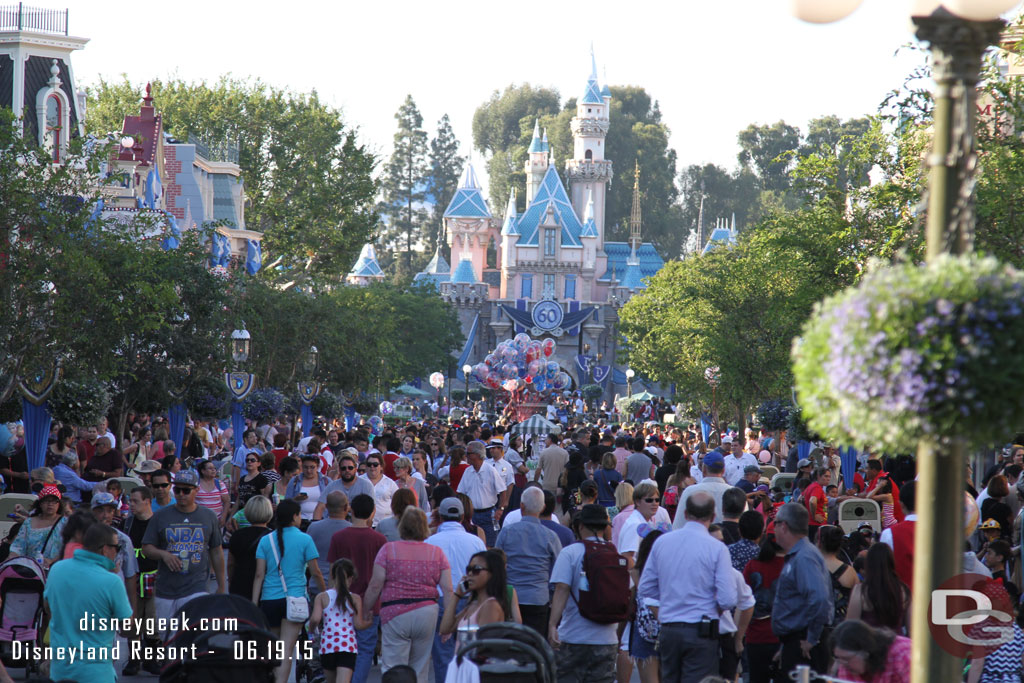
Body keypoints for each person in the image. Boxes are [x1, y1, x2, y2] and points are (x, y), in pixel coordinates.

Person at [637, 492, 737, 682]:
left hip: (669, 629)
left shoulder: (662, 542)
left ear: (685, 513)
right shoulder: (717, 548)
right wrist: (710, 605)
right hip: (702, 630)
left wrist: (669, 596)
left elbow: (645, 587)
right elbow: (728, 599)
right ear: (713, 516)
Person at [363, 507, 455, 682]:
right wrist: (448, 623)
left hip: (395, 612)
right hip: (427, 611)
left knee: (393, 666)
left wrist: (367, 609)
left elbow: (375, 585)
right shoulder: (437, 553)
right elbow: (448, 590)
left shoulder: (388, 550)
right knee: (420, 667)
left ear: (402, 526)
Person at [141, 470, 225, 641]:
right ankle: (172, 666)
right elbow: (146, 548)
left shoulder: (208, 516)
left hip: (197, 586)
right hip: (166, 588)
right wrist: (163, 554)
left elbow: (216, 551)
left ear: (196, 490)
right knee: (168, 638)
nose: (181, 495)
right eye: (177, 490)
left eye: (186, 490)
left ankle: (189, 666)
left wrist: (222, 585)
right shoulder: (161, 516)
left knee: (192, 635)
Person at [44, 523, 132, 683]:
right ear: (105, 549)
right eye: (116, 548)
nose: (117, 552)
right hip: (96, 673)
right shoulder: (112, 582)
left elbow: (48, 608)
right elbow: (127, 628)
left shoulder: (56, 570)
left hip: (61, 670)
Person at [254, 498, 326, 683]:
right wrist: (325, 594)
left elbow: (259, 575)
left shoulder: (265, 540)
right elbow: (315, 572)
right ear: (295, 517)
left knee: (273, 650)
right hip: (295, 601)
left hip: (269, 600)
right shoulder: (305, 539)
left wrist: (255, 603)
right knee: (286, 649)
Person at [548, 504, 620, 683]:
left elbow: (561, 589)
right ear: (604, 527)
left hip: (574, 637)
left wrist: (552, 624)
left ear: (580, 526)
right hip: (607, 639)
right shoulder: (614, 553)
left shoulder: (570, 553)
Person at [425, 496, 487, 683]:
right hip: (469, 604)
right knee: (468, 655)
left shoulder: (431, 542)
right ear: (462, 517)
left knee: (442, 657)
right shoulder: (475, 542)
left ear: (440, 517)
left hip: (441, 602)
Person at [328, 493, 388, 683]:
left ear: (351, 510)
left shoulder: (338, 537)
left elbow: (332, 573)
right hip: (370, 603)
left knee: (343, 649)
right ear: (373, 512)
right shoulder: (379, 540)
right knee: (364, 650)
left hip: (342, 601)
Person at [771, 502, 834, 675]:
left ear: (783, 526)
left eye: (775, 523)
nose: (773, 528)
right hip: (797, 641)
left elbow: (819, 599)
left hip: (804, 643)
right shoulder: (801, 555)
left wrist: (811, 639)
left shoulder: (804, 557)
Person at [495, 487, 561, 636]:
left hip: (510, 597)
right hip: (538, 598)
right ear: (543, 507)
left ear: (521, 506)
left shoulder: (506, 532)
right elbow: (559, 570)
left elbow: (496, 564)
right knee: (534, 646)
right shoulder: (550, 536)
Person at [122, 486, 162, 676]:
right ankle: (134, 659)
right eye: (130, 500)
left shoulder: (158, 523)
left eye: (135, 501)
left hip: (154, 575)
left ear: (147, 501)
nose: (131, 504)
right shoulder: (127, 523)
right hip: (133, 577)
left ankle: (151, 658)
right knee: (133, 618)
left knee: (152, 620)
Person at [310, 559, 371, 683]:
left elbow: (315, 618)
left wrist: (311, 630)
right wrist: (368, 622)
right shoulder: (355, 598)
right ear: (351, 578)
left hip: (328, 646)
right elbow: (358, 625)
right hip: (347, 646)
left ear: (332, 576)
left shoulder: (322, 597)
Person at [744, 535, 788, 683]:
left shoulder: (753, 565)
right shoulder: (793, 566)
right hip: (785, 636)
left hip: (755, 635)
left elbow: (743, 601)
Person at [846, 543, 911, 632]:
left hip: (869, 643)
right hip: (896, 643)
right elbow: (912, 630)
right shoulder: (903, 590)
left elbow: (849, 629)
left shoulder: (860, 591)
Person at [458, 440, 509, 546]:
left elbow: (503, 490)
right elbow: (460, 493)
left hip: (489, 514)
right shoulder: (467, 471)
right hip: (472, 515)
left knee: (490, 544)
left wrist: (500, 509)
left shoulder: (490, 470)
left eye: (468, 453)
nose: (466, 456)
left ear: (477, 455)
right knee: (472, 544)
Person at [830, 619, 911, 683]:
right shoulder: (846, 667)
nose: (842, 664)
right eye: (838, 658)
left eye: (846, 659)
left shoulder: (901, 655)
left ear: (866, 652)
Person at [228, 496, 275, 596]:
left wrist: (231, 581)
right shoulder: (273, 536)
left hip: (240, 584)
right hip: (266, 586)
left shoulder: (237, 535)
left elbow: (231, 563)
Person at [9, 483, 66, 567]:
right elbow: (18, 546)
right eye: (47, 500)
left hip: (56, 568)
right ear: (40, 503)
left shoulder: (65, 523)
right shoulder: (29, 522)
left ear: (59, 504)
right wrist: (13, 557)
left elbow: (70, 547)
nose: (50, 504)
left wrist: (52, 561)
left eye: (54, 501)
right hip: (31, 569)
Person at [307, 491, 351, 590]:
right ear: (346, 507)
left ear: (326, 506)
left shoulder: (313, 528)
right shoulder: (352, 530)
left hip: (317, 585)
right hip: (344, 586)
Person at [673, 452, 732, 526]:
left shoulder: (690, 491)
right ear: (723, 471)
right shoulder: (734, 493)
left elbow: (679, 524)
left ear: (703, 470)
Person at [818, 525, 858, 622]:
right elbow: (857, 602)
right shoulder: (850, 572)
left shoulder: (811, 568)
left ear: (819, 542)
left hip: (817, 625)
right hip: (843, 625)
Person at [363, 453, 400, 525]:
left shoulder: (390, 483)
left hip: (385, 524)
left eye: (375, 464)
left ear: (382, 467)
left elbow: (398, 502)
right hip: (364, 524)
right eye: (369, 464)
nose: (372, 467)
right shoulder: (359, 481)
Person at [196, 459, 230, 529]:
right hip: (199, 522)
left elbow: (227, 501)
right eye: (210, 468)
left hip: (217, 522)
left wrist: (223, 517)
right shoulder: (196, 485)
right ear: (203, 471)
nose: (213, 470)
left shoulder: (220, 484)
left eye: (214, 468)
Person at [802, 468, 831, 541]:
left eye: (829, 477)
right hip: (816, 524)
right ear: (818, 476)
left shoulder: (811, 486)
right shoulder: (817, 488)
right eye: (826, 476)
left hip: (811, 523)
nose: (828, 479)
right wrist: (814, 515)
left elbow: (800, 499)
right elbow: (812, 501)